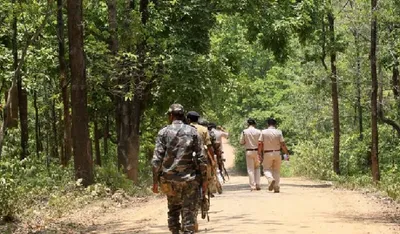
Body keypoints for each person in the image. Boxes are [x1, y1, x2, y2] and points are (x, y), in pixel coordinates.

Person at [152, 104, 208, 234]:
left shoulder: (163, 132)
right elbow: (202, 159)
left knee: (173, 210)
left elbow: (156, 160)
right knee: (189, 212)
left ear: (171, 116)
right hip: (189, 180)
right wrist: (204, 180)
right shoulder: (193, 131)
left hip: (169, 180)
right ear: (182, 115)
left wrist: (155, 182)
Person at [186, 111, 215, 232]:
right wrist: (213, 161)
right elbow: (209, 147)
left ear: (188, 119)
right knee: (205, 181)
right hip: (202, 161)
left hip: (187, 162)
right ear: (198, 119)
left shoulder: (185, 128)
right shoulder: (203, 129)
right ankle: (204, 195)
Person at [258, 118, 290, 193]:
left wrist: (259, 153)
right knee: (276, 170)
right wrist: (286, 153)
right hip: (277, 153)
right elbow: (282, 144)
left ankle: (270, 178)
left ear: (267, 124)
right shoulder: (279, 132)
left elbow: (260, 143)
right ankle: (276, 187)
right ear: (275, 124)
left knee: (266, 169)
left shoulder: (263, 132)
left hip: (267, 153)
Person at [239, 118, 262, 191]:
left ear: (248, 124)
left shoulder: (244, 132)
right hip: (257, 151)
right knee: (257, 168)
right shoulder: (259, 131)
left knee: (250, 169)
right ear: (254, 124)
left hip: (249, 151)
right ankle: (258, 184)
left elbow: (241, 142)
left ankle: (253, 186)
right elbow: (261, 142)